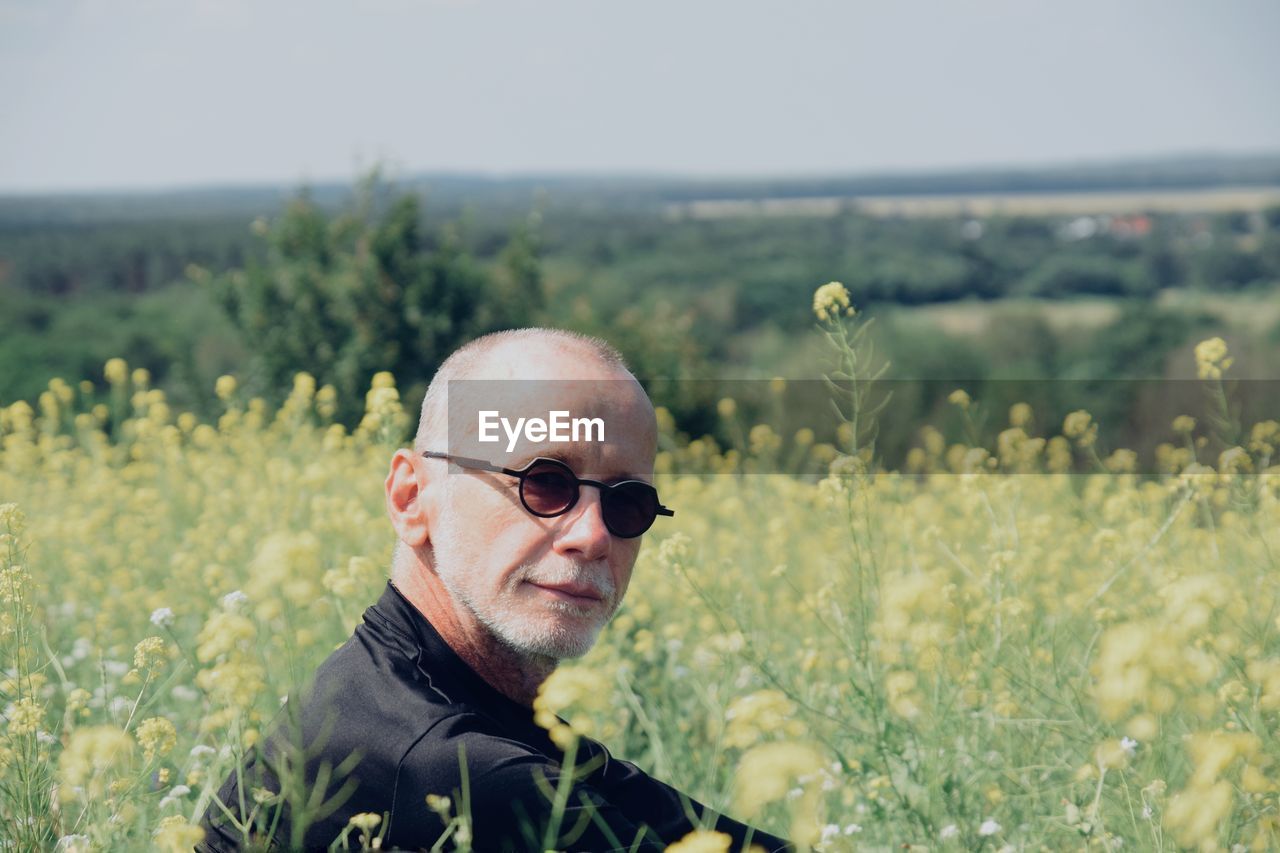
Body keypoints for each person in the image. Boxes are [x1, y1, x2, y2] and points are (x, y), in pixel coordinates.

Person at [197, 329, 791, 852]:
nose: (592, 535)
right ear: (412, 498)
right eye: (545, 482)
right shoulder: (453, 770)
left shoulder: (437, 692)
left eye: (627, 501)